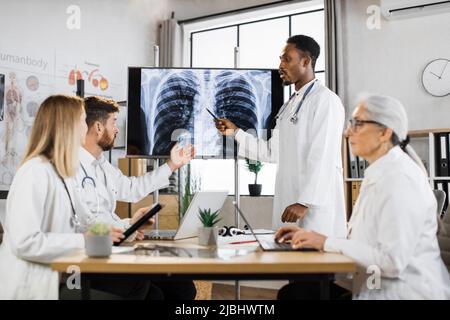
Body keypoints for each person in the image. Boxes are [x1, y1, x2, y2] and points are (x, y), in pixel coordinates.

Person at [275, 94, 450, 299]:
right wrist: (310, 238)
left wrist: (324, 242)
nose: (348, 132)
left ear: (385, 132)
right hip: (374, 285)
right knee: (295, 292)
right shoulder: (379, 173)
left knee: (294, 296)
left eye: (358, 124)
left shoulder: (400, 180)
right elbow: (367, 244)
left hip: (404, 293)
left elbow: (392, 262)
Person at [216, 35, 346, 236]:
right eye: (281, 59)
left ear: (306, 62)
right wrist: (235, 133)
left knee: (316, 263)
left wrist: (305, 202)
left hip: (313, 210)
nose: (280, 65)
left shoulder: (326, 101)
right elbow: (271, 152)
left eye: (287, 59)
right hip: (289, 204)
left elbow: (324, 156)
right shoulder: (288, 107)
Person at [72, 96, 196, 300]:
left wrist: (172, 165)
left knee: (183, 286)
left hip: (115, 246)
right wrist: (128, 225)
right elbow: (87, 223)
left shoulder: (102, 164)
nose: (117, 130)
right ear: (98, 127)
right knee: (154, 293)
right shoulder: (72, 167)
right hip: (95, 255)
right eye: (113, 122)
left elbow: (132, 188)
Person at [0, 95, 95, 299]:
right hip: (34, 286)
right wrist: (83, 240)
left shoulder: (61, 173)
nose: (87, 128)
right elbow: (25, 242)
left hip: (65, 276)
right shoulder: (34, 173)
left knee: (142, 287)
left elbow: (82, 222)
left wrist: (122, 229)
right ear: (68, 126)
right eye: (83, 120)